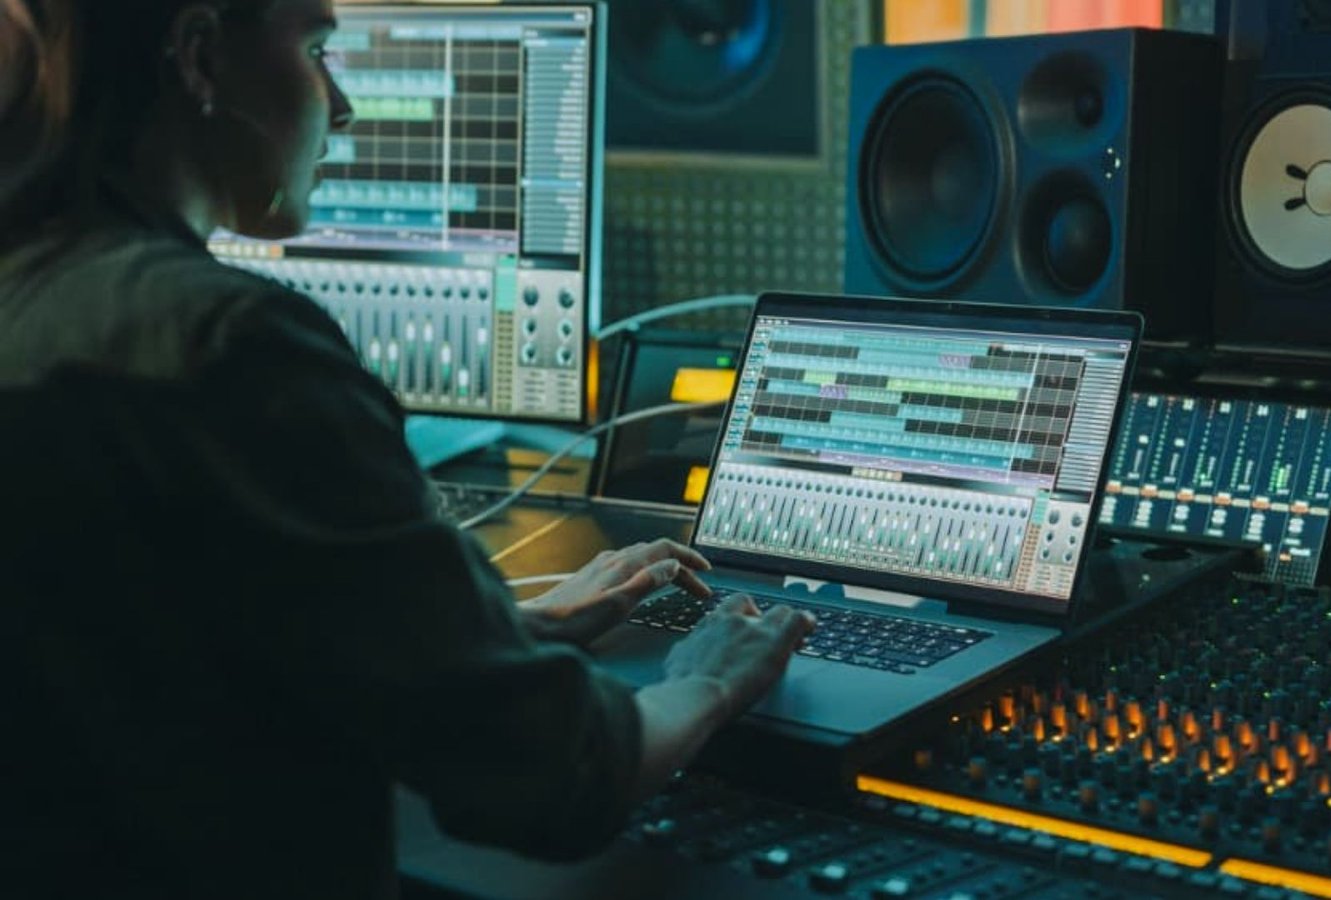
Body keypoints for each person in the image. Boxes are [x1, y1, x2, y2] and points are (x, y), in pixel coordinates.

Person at [0, 0, 813, 896]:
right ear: (198, 60)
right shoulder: (234, 347)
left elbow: (163, 650)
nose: (340, 107)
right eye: (316, 51)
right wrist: (707, 680)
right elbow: (558, 777)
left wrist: (487, 635)